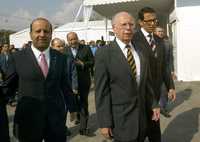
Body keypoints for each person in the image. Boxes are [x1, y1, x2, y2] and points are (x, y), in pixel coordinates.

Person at [95, 11, 160, 142]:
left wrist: (154, 104)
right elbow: (102, 92)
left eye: (131, 24)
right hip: (121, 120)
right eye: (124, 24)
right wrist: (104, 123)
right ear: (114, 28)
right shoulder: (104, 54)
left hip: (142, 118)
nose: (128, 28)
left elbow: (146, 81)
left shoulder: (140, 50)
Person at [7, 17, 70, 142]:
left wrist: (73, 107)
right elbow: (8, 87)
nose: (42, 35)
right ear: (30, 34)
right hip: (28, 120)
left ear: (51, 34)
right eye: (38, 31)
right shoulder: (17, 57)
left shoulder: (61, 57)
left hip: (55, 120)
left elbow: (64, 84)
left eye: (46, 31)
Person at [132, 7, 176, 142]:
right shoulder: (133, 40)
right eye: (149, 21)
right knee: (139, 130)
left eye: (155, 20)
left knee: (155, 130)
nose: (153, 23)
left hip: (156, 93)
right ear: (140, 22)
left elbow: (164, 66)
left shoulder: (159, 40)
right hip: (140, 93)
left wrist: (171, 86)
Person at [66, 32, 94, 135]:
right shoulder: (65, 50)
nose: (73, 41)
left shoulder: (86, 48)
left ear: (77, 38)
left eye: (74, 39)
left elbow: (92, 61)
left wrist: (83, 64)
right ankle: (77, 116)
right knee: (73, 103)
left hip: (83, 82)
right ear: (67, 41)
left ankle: (83, 128)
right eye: (70, 40)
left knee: (83, 104)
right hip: (70, 84)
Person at [154, 26, 176, 117]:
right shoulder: (150, 43)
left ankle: (162, 107)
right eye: (158, 31)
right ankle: (155, 106)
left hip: (165, 71)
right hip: (153, 71)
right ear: (154, 32)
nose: (160, 33)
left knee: (165, 89)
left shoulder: (168, 44)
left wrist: (172, 70)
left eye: (162, 31)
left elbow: (170, 58)